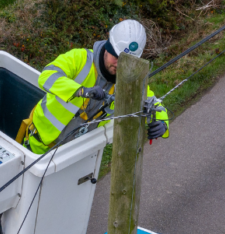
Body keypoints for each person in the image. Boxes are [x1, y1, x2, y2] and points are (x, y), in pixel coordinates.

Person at [22, 19, 170, 154]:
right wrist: (81, 91)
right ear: (107, 48)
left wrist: (162, 123)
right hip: (39, 145)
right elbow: (47, 76)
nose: (119, 65)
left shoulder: (130, 82)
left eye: (126, 61)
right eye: (115, 57)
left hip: (76, 154)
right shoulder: (80, 59)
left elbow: (153, 103)